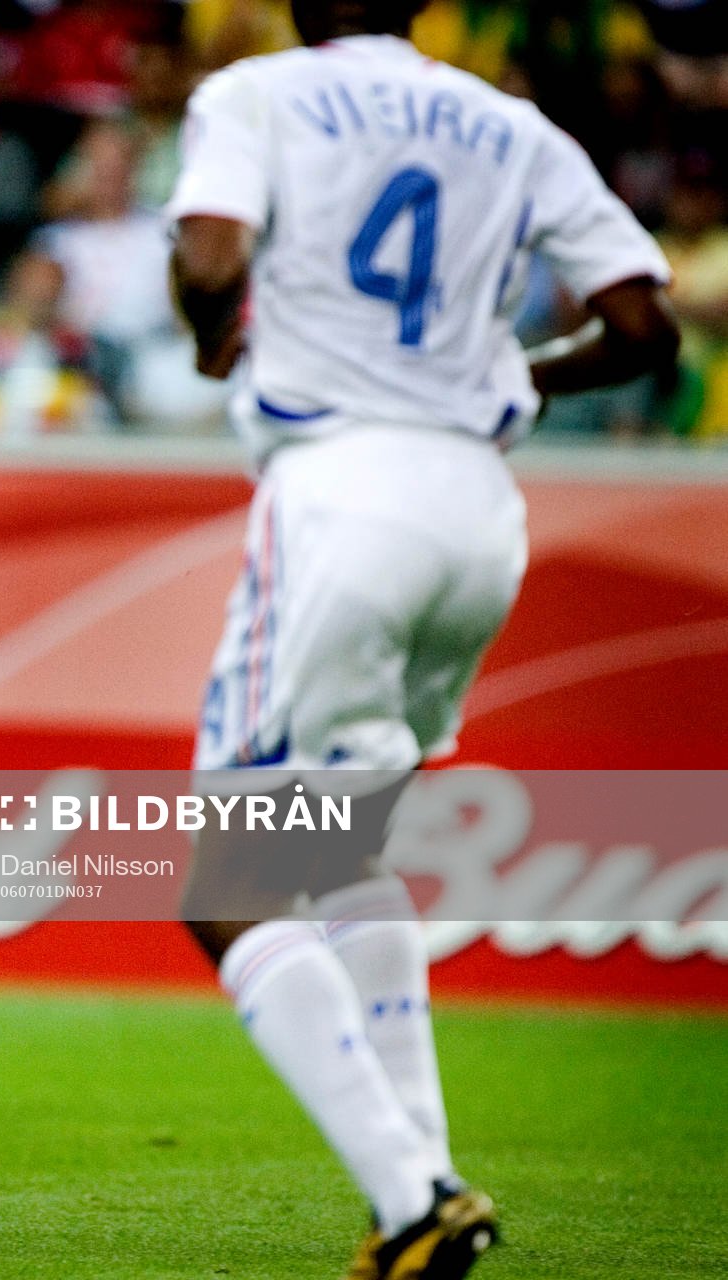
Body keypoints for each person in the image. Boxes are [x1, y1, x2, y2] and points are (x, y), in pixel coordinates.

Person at [166, 2, 679, 1277]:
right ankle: (429, 1183)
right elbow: (646, 328)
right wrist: (509, 377)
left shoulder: (261, 94)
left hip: (343, 490)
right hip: (483, 511)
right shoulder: (518, 124)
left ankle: (411, 1198)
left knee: (227, 887)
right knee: (343, 846)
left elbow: (215, 252)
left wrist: (209, 338)